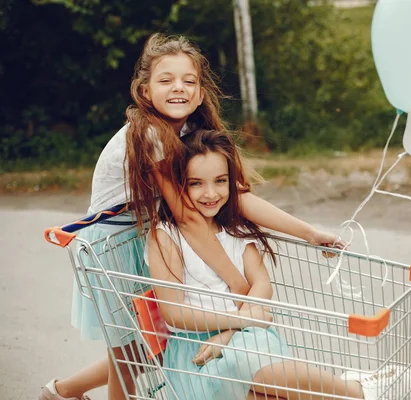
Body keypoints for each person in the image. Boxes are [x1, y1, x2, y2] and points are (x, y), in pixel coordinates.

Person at [40, 33, 338, 400]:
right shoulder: (149, 134)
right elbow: (188, 218)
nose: (178, 88)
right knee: (128, 351)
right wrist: (241, 289)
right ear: (145, 90)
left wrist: (308, 232)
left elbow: (237, 198)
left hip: (140, 232)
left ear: (199, 91)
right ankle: (68, 392)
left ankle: (62, 391)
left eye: (189, 81)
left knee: (152, 345)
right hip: (110, 244)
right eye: (166, 80)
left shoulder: (189, 129)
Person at [146, 129, 402, 400]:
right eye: (196, 183)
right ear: (179, 185)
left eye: (220, 181)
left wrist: (232, 333)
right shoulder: (167, 236)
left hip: (245, 337)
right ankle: (357, 392)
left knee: (250, 367)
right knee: (247, 367)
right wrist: (243, 319)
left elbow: (261, 283)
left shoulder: (234, 231)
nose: (211, 193)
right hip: (195, 351)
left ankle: (355, 391)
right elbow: (174, 313)